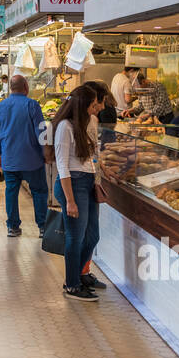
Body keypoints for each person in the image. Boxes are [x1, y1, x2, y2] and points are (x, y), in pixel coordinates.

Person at [53, 85, 104, 302]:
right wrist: (70, 200)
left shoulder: (91, 122)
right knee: (75, 237)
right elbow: (62, 165)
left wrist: (100, 175)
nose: (96, 109)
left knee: (92, 236)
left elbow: (94, 155)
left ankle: (79, 274)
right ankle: (72, 284)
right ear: (83, 105)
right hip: (71, 184)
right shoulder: (65, 127)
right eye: (93, 105)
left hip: (88, 182)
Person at [0, 75, 48, 237]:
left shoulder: (1, 106)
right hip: (32, 159)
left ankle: (13, 227)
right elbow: (42, 131)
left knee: (11, 191)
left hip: (9, 158)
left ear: (11, 88)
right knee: (38, 191)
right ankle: (43, 227)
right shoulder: (32, 105)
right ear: (26, 87)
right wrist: (45, 151)